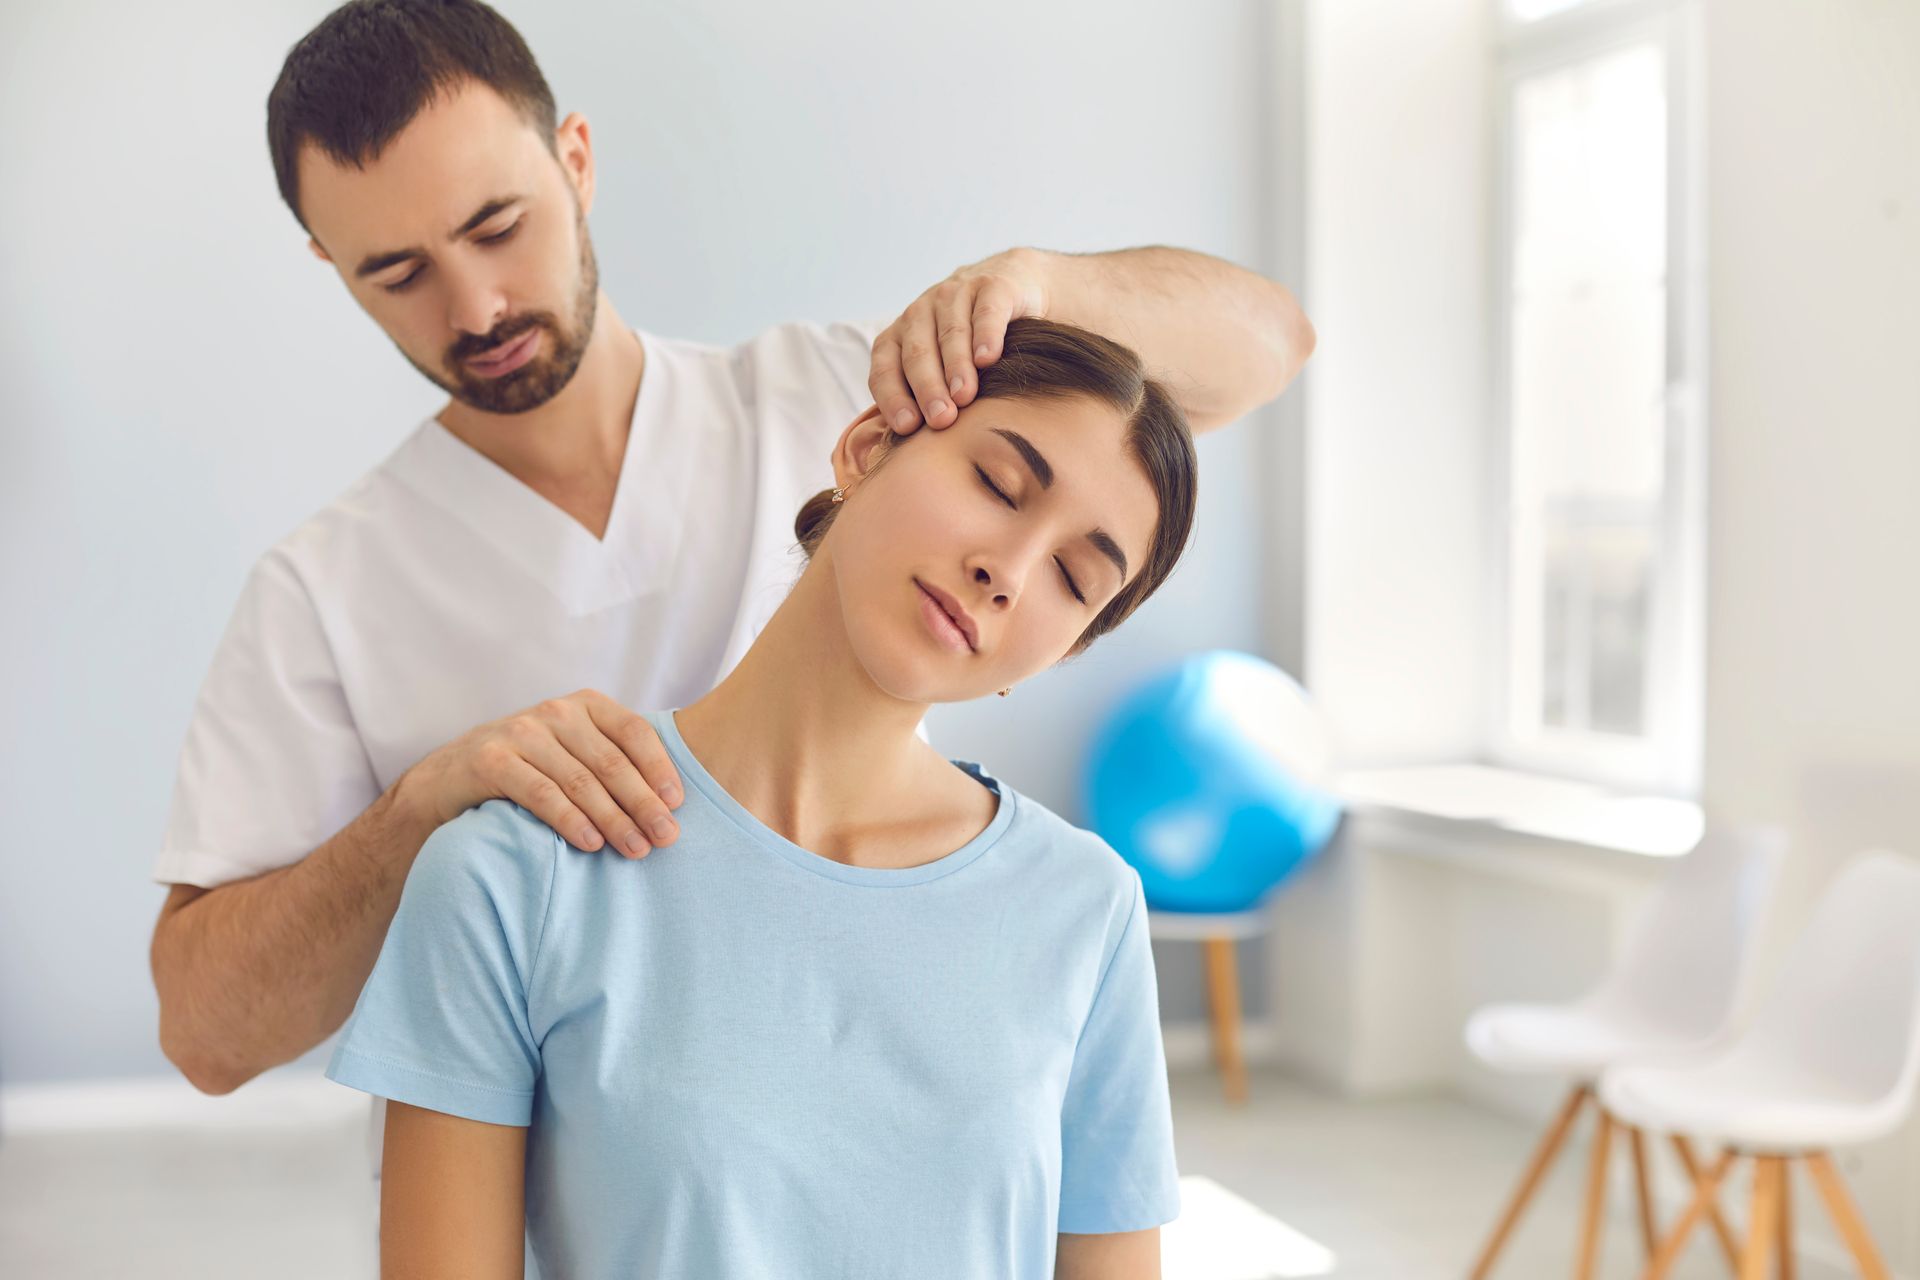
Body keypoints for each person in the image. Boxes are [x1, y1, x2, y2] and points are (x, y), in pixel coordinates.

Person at [147, 0, 1313, 1189]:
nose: (478, 307)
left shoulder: (840, 396)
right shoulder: (323, 590)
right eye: (397, 273)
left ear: (577, 161)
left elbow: (1262, 346)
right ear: (330, 267)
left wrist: (1038, 282)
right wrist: (421, 812)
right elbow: (205, 1032)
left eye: (498, 226)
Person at [327, 317, 1195, 1279]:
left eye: (1073, 580)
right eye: (996, 484)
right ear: (867, 449)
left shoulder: (1086, 910)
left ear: (1062, 650)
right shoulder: (515, 875)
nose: (1010, 572)